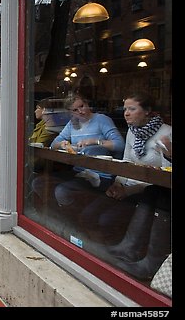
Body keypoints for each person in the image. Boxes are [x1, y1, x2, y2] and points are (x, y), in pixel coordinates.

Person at [79, 93, 171, 280]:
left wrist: (127, 190)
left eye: (132, 109)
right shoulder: (132, 132)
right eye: (125, 108)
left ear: (147, 111)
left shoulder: (167, 133)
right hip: (130, 187)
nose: (126, 113)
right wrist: (118, 184)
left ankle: (136, 254)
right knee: (88, 213)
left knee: (153, 193)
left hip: (148, 190)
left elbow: (164, 177)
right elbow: (127, 163)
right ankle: (127, 249)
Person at [31, 94, 125, 227]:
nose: (81, 111)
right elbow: (54, 144)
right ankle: (59, 217)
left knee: (62, 190)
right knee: (38, 182)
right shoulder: (72, 124)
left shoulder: (101, 119)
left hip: (101, 174)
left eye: (82, 106)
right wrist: (63, 144)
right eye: (75, 110)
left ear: (87, 104)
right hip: (79, 171)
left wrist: (96, 141)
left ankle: (72, 224)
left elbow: (120, 144)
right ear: (70, 112)